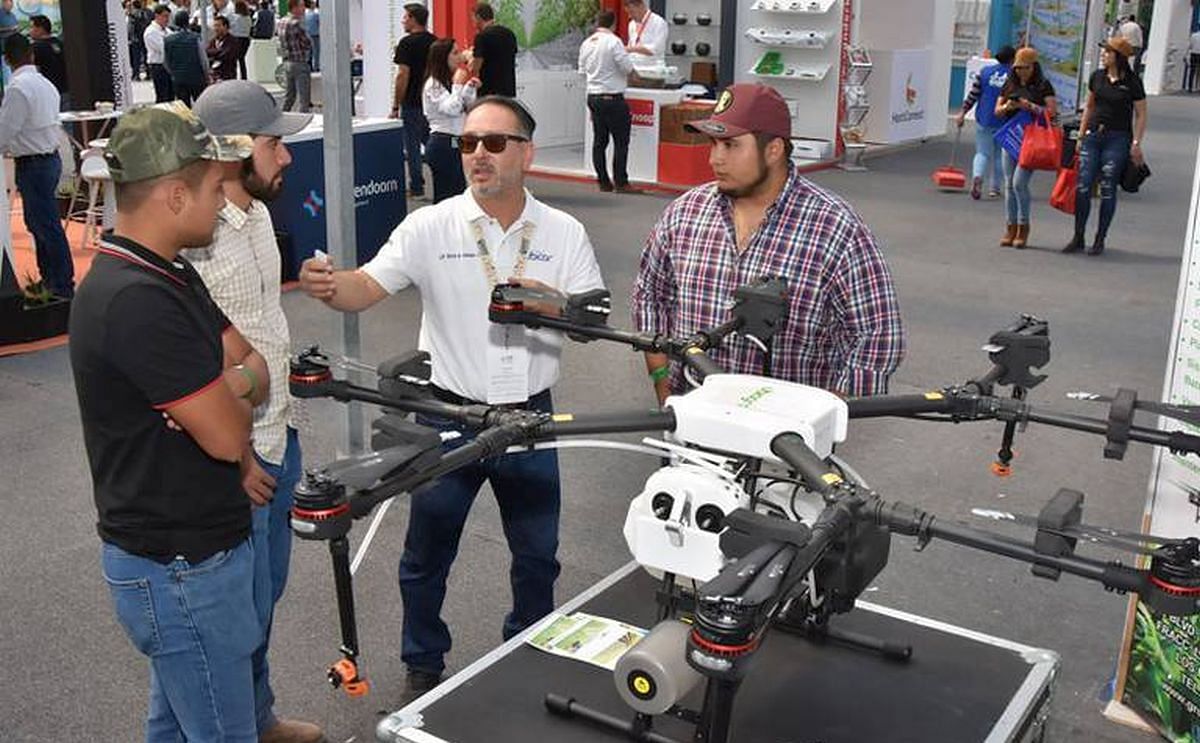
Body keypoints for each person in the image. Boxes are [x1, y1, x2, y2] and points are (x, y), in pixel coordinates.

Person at [297, 96, 604, 704]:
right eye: (467, 144)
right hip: (447, 415)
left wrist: (554, 305)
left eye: (493, 143)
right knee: (425, 556)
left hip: (529, 421)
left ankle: (528, 649)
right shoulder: (429, 226)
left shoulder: (564, 233)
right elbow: (365, 286)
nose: (478, 156)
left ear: (527, 152)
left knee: (538, 557)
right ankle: (422, 664)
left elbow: (593, 320)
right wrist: (331, 288)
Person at [68, 102, 269, 743]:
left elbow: (248, 366)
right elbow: (231, 431)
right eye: (214, 188)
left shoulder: (167, 272)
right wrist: (225, 396)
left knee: (176, 727)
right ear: (177, 194)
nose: (222, 202)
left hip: (187, 558)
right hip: (181, 570)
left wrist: (221, 389)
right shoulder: (136, 300)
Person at [184, 80, 324, 743]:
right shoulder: (194, 237)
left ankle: (257, 715)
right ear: (236, 151)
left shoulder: (262, 216)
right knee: (225, 616)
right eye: (275, 143)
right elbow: (190, 366)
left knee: (262, 601)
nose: (287, 157)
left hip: (280, 430)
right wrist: (237, 456)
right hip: (237, 453)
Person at [630, 83, 905, 402]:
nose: (715, 159)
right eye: (713, 143)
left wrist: (824, 415)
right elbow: (650, 293)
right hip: (691, 422)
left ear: (773, 150)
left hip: (784, 438)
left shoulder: (833, 226)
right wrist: (662, 383)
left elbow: (877, 333)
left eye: (731, 145)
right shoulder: (685, 213)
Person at [0, 35, 74, 299]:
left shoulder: (17, 89)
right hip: (47, 160)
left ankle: (62, 284)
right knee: (40, 223)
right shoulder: (45, 84)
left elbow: (5, 130)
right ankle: (51, 279)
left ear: (7, 59)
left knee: (46, 225)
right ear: (31, 55)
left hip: (34, 164)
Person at [1062, 37, 1147, 257]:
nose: (1103, 55)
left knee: (1108, 187)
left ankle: (1100, 238)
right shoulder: (1097, 77)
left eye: (1107, 52)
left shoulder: (1132, 82)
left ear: (1118, 56)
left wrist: (1136, 143)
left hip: (1118, 138)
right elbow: (1089, 107)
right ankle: (1078, 236)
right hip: (1093, 136)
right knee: (1084, 185)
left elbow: (1141, 114)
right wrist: (1080, 136)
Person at [994, 47, 1056, 249]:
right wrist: (1008, 107)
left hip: (1031, 140)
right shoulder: (1009, 84)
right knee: (1009, 184)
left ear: (1034, 67)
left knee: (1019, 182)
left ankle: (1023, 225)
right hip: (1011, 136)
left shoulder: (1043, 85)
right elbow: (998, 110)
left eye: (1026, 68)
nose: (1022, 72)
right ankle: (1010, 226)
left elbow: (1051, 112)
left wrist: (1029, 106)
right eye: (1018, 68)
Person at [578, 10, 637, 194]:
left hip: (593, 96)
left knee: (599, 141)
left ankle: (603, 181)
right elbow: (626, 67)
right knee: (621, 141)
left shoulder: (587, 43)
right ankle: (621, 181)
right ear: (614, 23)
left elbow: (581, 71)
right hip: (612, 97)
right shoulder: (614, 41)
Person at [954, 46, 1015, 200]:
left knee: (982, 152)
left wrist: (963, 112)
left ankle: (977, 177)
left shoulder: (985, 72)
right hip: (1004, 120)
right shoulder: (1014, 76)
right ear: (1012, 59)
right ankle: (995, 188)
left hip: (984, 117)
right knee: (999, 155)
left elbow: (973, 95)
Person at [423, 38, 479, 203]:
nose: (460, 56)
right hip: (442, 142)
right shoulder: (433, 84)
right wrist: (458, 85)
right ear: (443, 57)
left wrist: (469, 88)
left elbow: (467, 107)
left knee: (459, 191)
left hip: (456, 140)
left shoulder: (449, 81)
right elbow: (451, 109)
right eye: (454, 53)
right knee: (447, 196)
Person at [392, 3, 436, 199]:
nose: (402, 20)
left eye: (405, 17)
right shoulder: (435, 42)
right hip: (432, 102)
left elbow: (403, 75)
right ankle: (447, 177)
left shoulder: (406, 44)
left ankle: (417, 186)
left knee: (412, 145)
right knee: (433, 142)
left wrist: (395, 105)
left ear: (413, 19)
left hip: (412, 102)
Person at [469, 3, 517, 97]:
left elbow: (475, 68)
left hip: (489, 92)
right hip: (508, 91)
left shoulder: (481, 37)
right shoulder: (509, 34)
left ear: (478, 17)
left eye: (472, 18)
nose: (472, 22)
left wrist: (469, 58)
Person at [165, 10, 209, 106]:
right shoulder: (195, 37)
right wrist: (207, 74)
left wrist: (173, 73)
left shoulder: (168, 40)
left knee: (184, 107)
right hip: (196, 77)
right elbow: (203, 59)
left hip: (179, 78)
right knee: (200, 104)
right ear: (187, 22)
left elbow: (166, 61)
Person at [279, 0, 312, 113]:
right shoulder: (296, 24)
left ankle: (281, 117)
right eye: (301, 6)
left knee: (290, 96)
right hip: (300, 62)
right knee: (304, 99)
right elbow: (307, 42)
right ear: (294, 8)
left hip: (288, 61)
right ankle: (303, 123)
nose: (303, 8)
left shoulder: (281, 21)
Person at [29, 15, 68, 110]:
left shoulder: (36, 47)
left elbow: (35, 72)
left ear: (40, 29)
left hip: (48, 94)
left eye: (32, 27)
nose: (30, 31)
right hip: (65, 91)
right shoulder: (60, 43)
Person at [146, 5, 174, 102]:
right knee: (162, 95)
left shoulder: (167, 30)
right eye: (164, 16)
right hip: (158, 66)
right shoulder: (151, 32)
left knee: (171, 95)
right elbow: (164, 48)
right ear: (157, 16)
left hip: (169, 66)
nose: (167, 19)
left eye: (168, 16)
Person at [207, 14, 239, 80]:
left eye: (218, 26)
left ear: (225, 26)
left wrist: (214, 54)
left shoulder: (232, 41)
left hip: (227, 77)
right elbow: (207, 52)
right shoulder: (213, 41)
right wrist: (218, 52)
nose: (216, 28)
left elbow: (226, 55)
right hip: (214, 76)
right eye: (214, 26)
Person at [127, 1, 153, 81]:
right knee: (136, 58)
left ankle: (149, 74)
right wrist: (133, 37)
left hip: (146, 37)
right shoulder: (134, 13)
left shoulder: (149, 12)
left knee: (146, 56)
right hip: (137, 38)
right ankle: (136, 74)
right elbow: (131, 26)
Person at [229, 1, 253, 79]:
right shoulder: (248, 18)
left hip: (237, 39)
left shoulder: (235, 17)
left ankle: (234, 76)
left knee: (233, 59)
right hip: (246, 40)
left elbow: (230, 26)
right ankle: (244, 77)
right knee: (242, 60)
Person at [304, 0, 319, 72]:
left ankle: (308, 66)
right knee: (316, 51)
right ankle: (316, 67)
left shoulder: (305, 15)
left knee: (309, 51)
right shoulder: (315, 15)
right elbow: (319, 23)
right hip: (315, 35)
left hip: (307, 35)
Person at [1188, 27, 1200, 93]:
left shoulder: (1193, 35)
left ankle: (1190, 87)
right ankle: (1198, 87)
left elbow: (1190, 45)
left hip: (1193, 54)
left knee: (1192, 71)